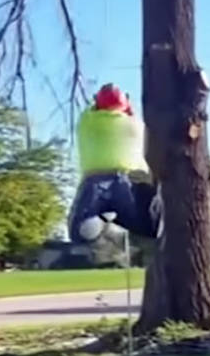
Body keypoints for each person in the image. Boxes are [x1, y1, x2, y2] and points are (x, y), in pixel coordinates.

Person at [68, 83, 160, 243]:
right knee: (147, 226)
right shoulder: (134, 125)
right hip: (128, 182)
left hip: (95, 181)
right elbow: (133, 115)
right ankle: (153, 213)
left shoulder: (87, 122)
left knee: (79, 231)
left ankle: (103, 217)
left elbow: (91, 108)